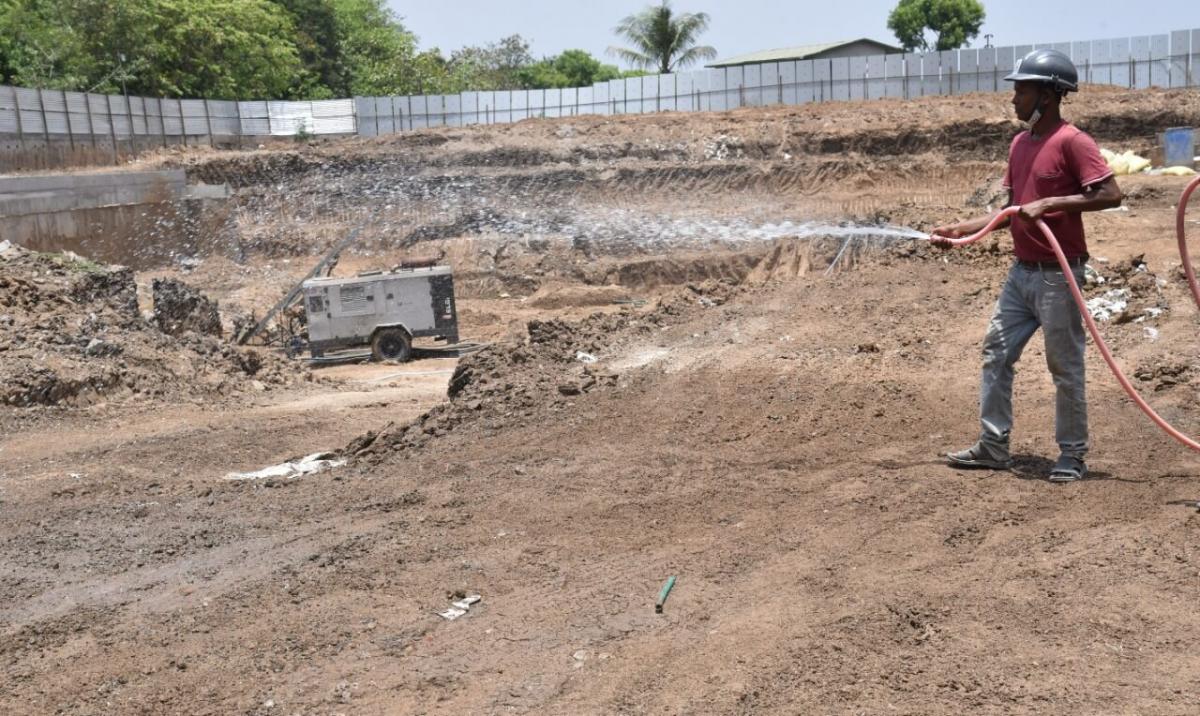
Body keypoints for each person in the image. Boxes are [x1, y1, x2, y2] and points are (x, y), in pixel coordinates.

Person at [930, 49, 1123, 482]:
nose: (1013, 98)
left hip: (1059, 276)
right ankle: (993, 446)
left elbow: (1112, 194)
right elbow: (1013, 211)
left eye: (1022, 89)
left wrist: (1052, 202)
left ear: (1049, 95)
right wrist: (961, 229)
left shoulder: (1074, 141)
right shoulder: (1020, 144)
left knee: (1064, 367)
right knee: (996, 354)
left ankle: (1072, 456)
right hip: (1021, 274)